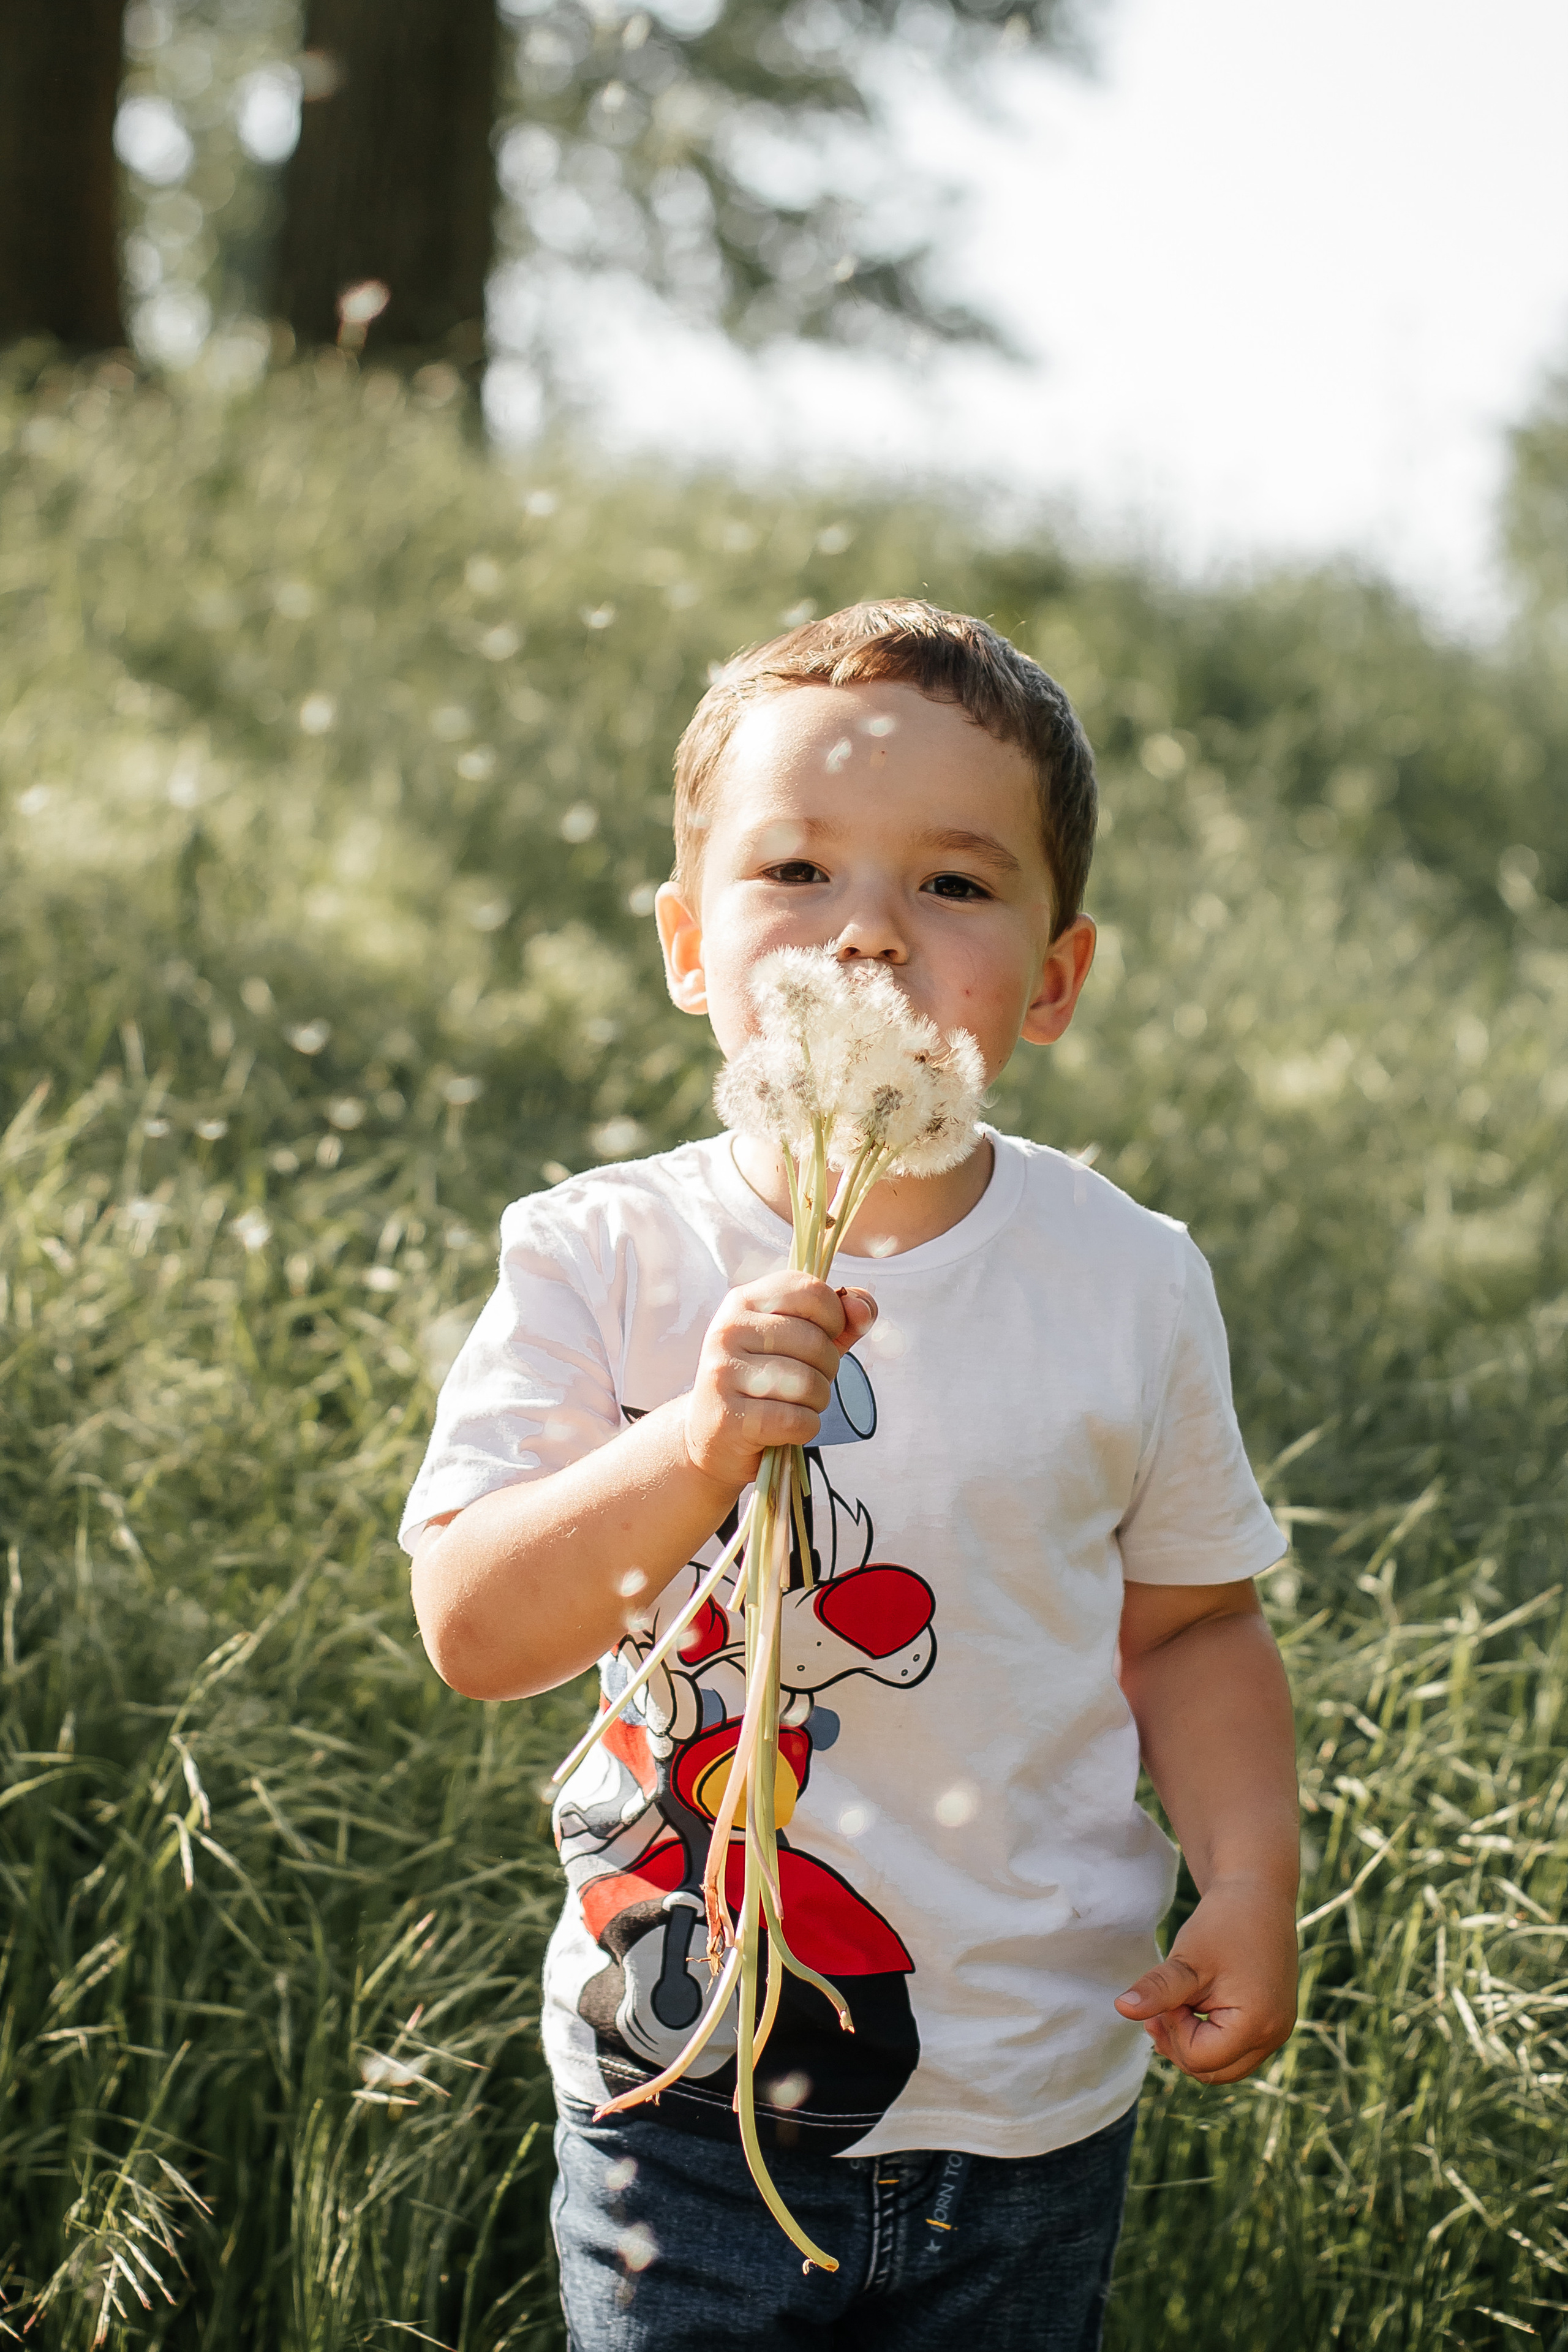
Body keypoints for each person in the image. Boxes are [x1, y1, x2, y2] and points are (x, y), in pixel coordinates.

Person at [402, 600, 1300, 2351]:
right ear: (687, 943)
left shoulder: (1125, 1278)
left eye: (956, 887)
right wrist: (694, 1446)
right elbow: (474, 1627)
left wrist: (1250, 1882)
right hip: (680, 2092)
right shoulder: (603, 1254)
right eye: (798, 870)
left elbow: (1192, 1630)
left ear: (1052, 978)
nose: (872, 936)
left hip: (1028, 2101)